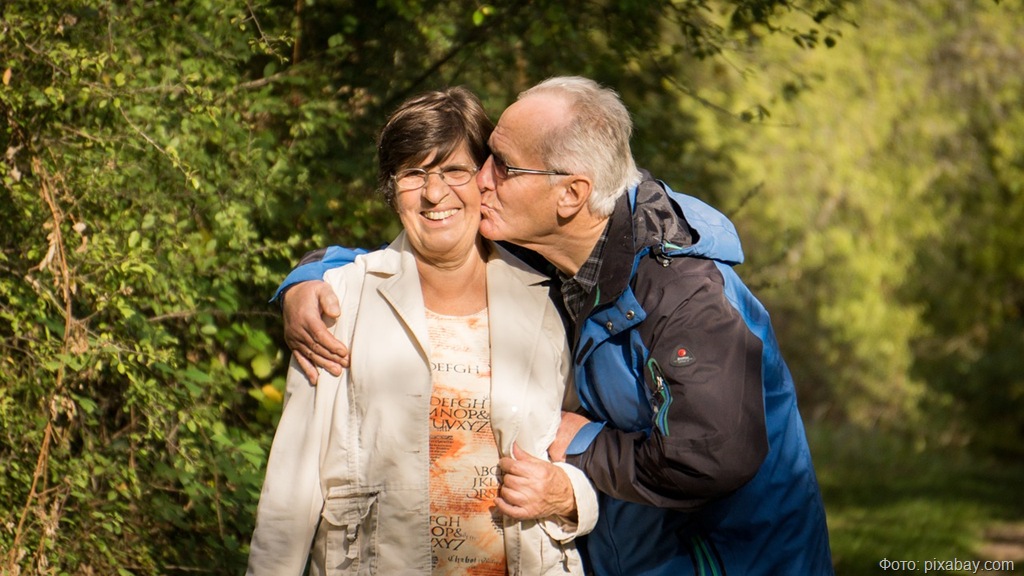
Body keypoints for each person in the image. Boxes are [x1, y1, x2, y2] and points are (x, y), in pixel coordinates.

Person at [278, 76, 834, 575]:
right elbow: (417, 252)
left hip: (729, 560)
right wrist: (309, 277)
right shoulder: (554, 248)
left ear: (571, 194)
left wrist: (584, 445)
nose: (480, 180)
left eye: (503, 166)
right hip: (635, 554)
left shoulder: (683, 296)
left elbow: (711, 456)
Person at [246, 87, 598, 576]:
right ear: (392, 189)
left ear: (486, 178)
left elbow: (586, 445)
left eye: (454, 171)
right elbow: (291, 489)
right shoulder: (339, 300)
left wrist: (572, 495)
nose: (434, 194)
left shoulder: (549, 301)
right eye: (413, 173)